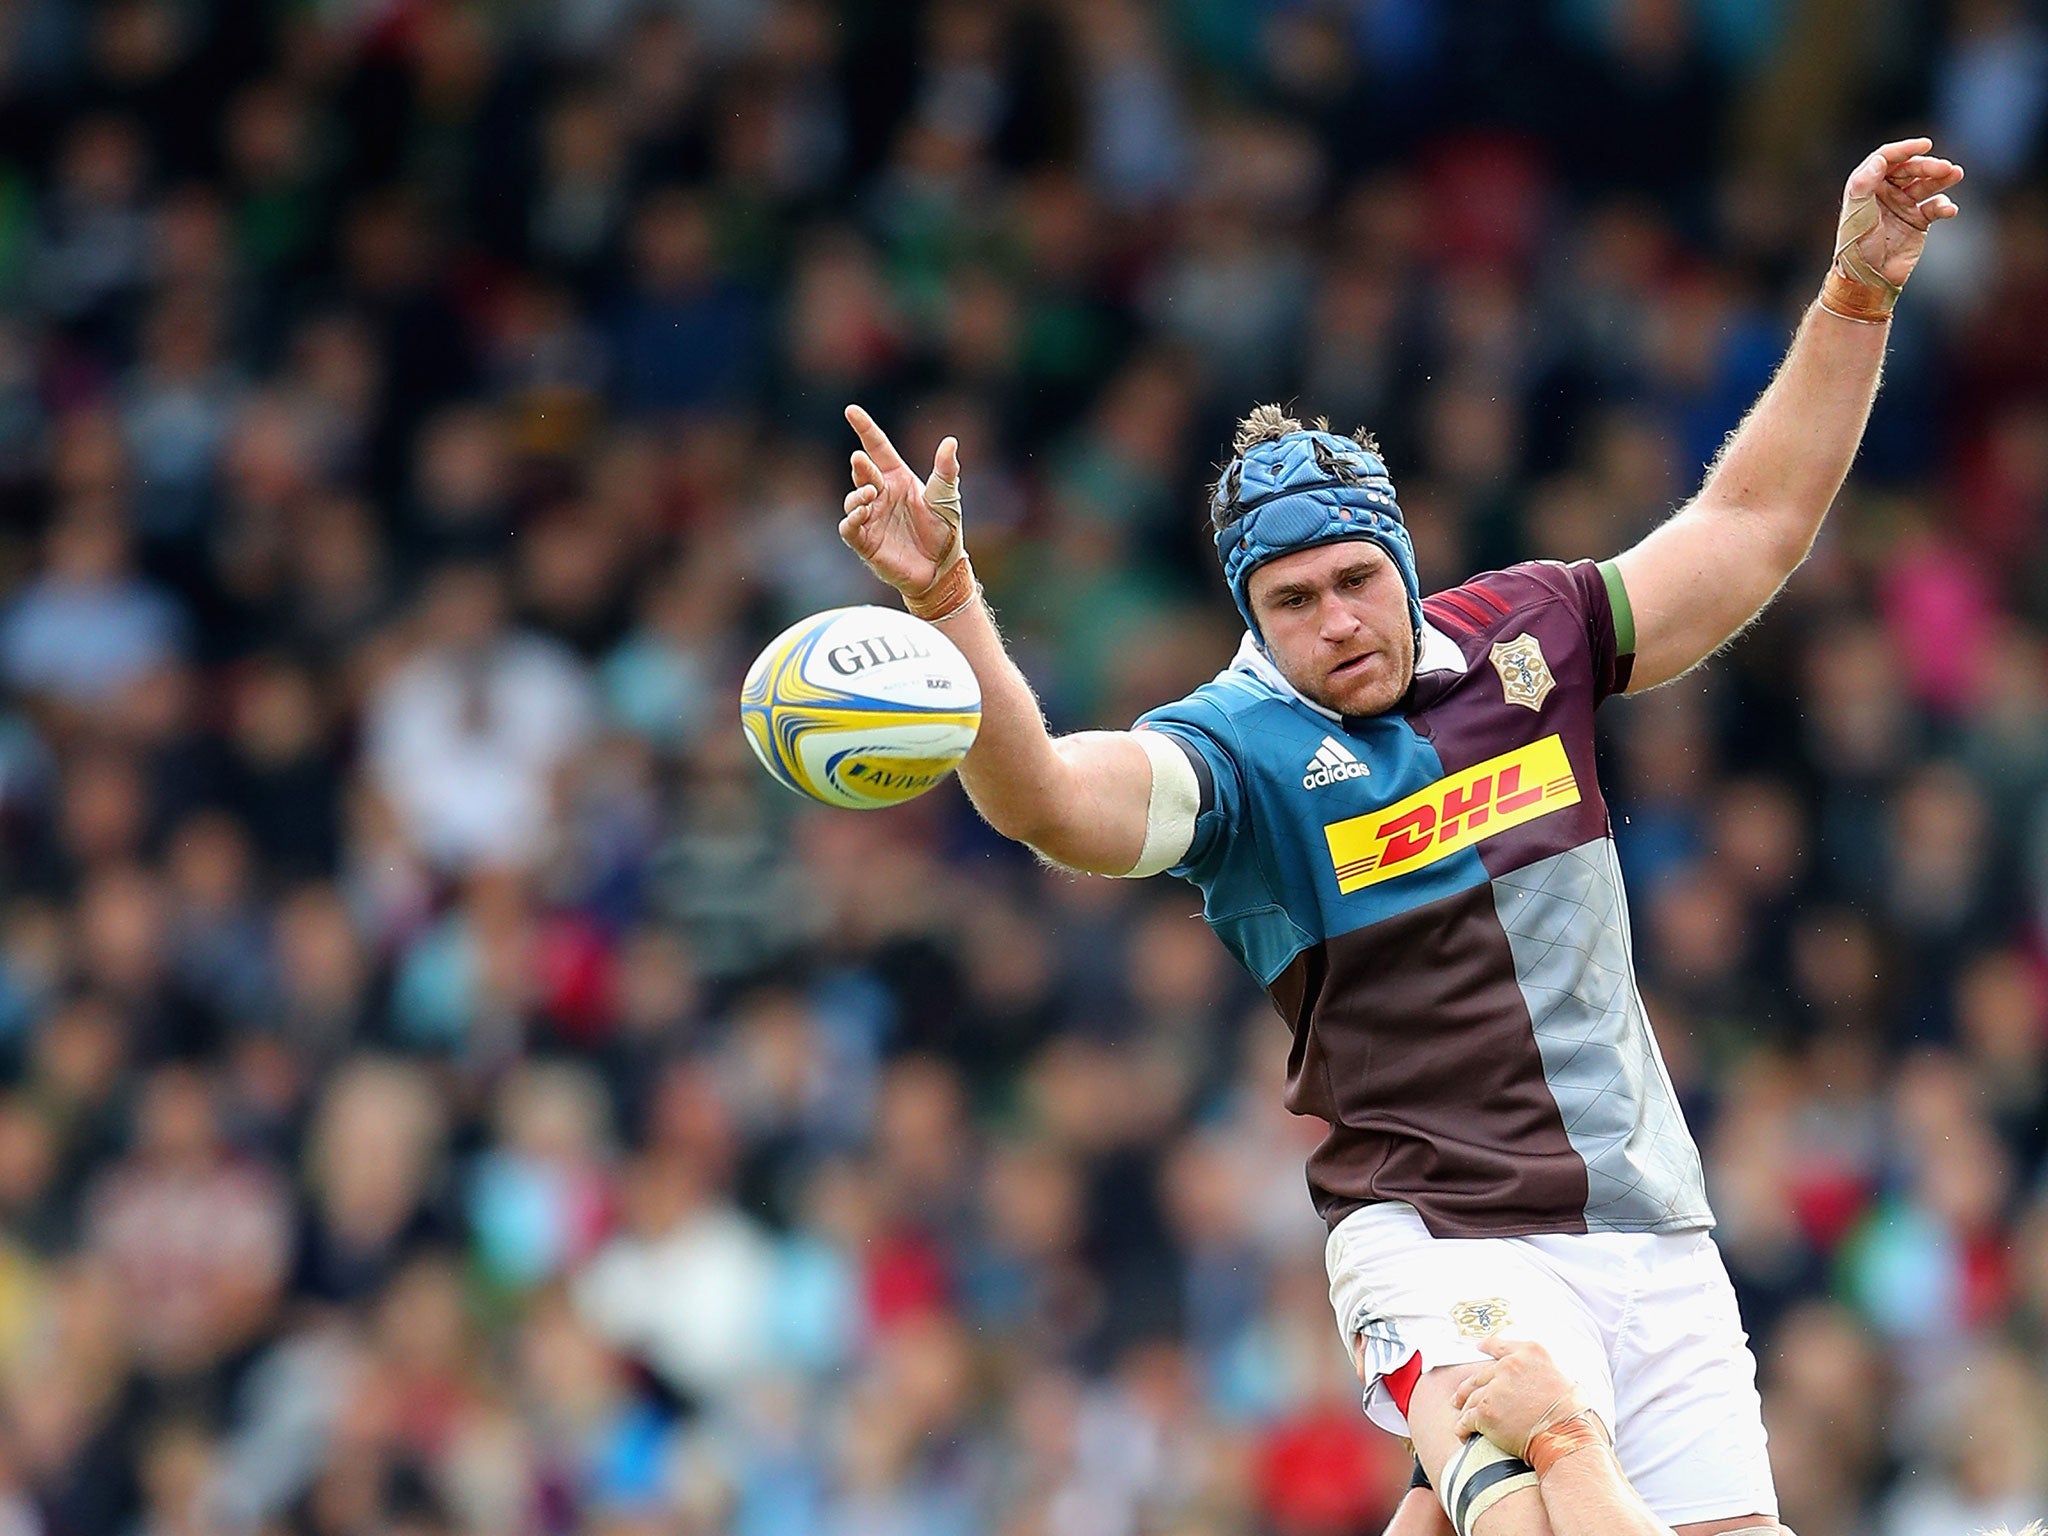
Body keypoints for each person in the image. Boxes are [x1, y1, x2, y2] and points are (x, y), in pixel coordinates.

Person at [834, 140, 1963, 1536]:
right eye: (1293, 601)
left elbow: (1755, 521)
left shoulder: (1532, 638)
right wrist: (950, 600)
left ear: (1405, 561)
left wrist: (1855, 292)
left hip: (1651, 1231)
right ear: (1253, 616)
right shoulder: (1232, 754)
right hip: (1440, 1238)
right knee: (1537, 1510)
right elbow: (1050, 801)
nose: (1339, 623)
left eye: (1357, 581)